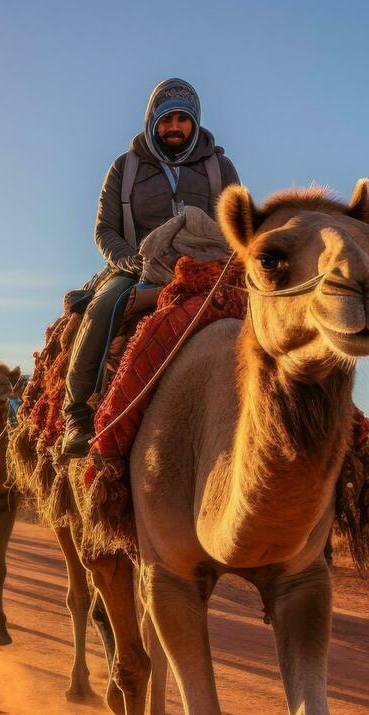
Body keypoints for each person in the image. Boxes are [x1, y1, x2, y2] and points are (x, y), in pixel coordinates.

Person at [60, 77, 241, 456]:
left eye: (182, 119)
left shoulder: (219, 168)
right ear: (152, 120)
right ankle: (76, 414)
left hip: (206, 266)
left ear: (194, 122)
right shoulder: (125, 168)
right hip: (136, 267)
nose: (174, 127)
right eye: (166, 120)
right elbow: (104, 228)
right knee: (102, 308)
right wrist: (126, 258)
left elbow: (238, 223)